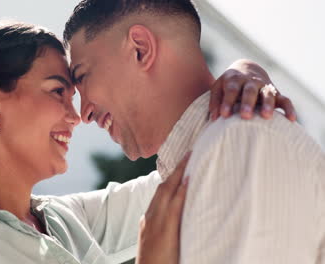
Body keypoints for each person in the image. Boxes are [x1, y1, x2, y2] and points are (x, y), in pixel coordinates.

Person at [0, 20, 293, 264]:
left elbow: (188, 176)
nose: (76, 115)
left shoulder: (65, 221)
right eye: (57, 91)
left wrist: (246, 74)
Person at [64, 0, 325, 263]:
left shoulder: (239, 144)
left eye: (83, 76)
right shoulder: (209, 155)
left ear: (140, 50)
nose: (83, 113)